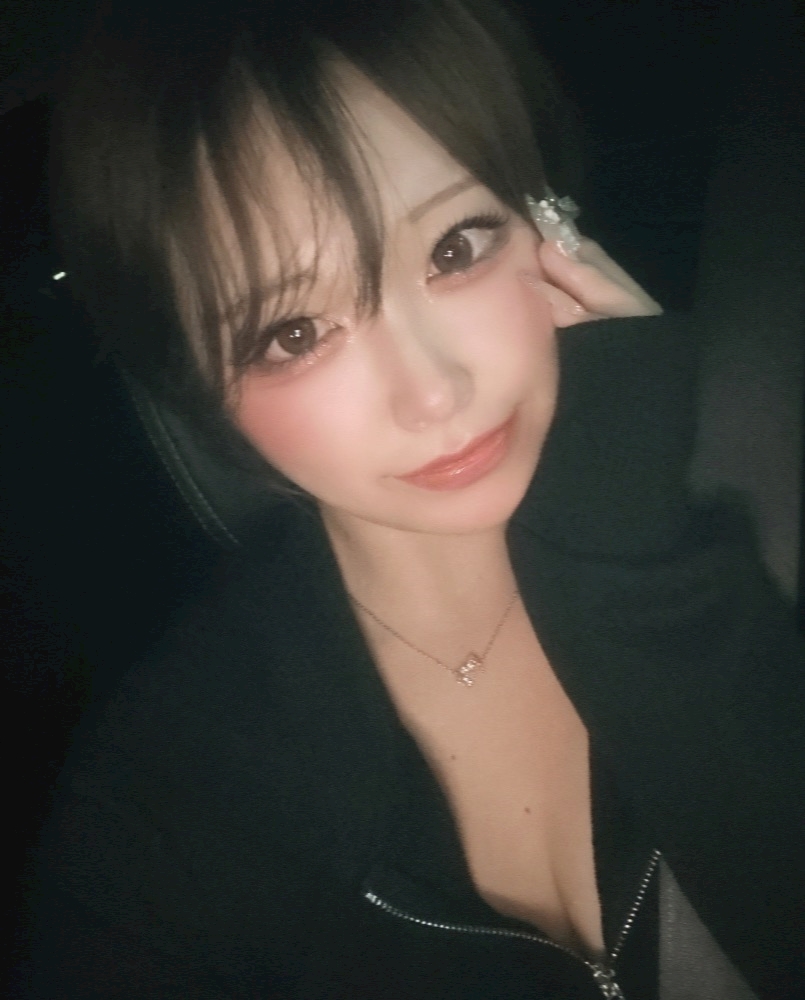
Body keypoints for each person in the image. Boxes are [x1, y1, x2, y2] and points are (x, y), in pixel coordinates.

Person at [22, 0, 804, 997]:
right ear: (202, 395)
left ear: (550, 223)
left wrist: (640, 554)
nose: (431, 392)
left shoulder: (743, 497)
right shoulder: (174, 802)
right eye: (293, 333)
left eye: (455, 248)